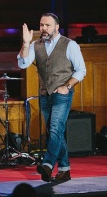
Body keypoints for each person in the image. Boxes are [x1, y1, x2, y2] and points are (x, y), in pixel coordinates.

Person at [18, 12, 86, 182]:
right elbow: (23, 63)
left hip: (62, 94)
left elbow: (81, 70)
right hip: (45, 94)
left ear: (57, 27)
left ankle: (48, 164)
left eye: (47, 25)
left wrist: (67, 86)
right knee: (54, 132)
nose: (44, 28)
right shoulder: (36, 45)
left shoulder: (70, 45)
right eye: (42, 25)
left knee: (55, 128)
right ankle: (64, 169)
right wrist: (26, 44)